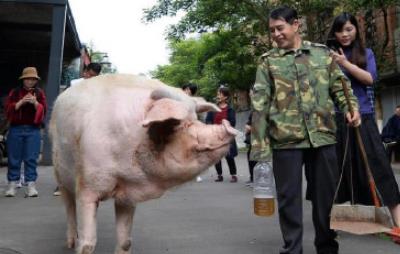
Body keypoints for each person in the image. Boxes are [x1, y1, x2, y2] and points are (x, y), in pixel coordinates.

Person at [250, 6, 360, 254]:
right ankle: (292, 249)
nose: (276, 34)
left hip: (323, 137)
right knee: (289, 200)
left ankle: (327, 246)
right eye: (272, 30)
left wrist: (351, 108)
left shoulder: (322, 55)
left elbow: (341, 88)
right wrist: (260, 149)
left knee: (325, 199)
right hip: (285, 141)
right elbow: (259, 106)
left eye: (280, 28)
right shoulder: (268, 62)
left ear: (296, 25)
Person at [328, 12, 400, 227]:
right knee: (338, 171)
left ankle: (397, 222)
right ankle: (335, 223)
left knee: (380, 167)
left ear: (356, 30)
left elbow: (370, 79)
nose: (344, 34)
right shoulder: (327, 56)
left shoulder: (365, 53)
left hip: (365, 117)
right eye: (340, 30)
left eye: (349, 29)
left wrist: (345, 63)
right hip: (339, 119)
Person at [53, 62, 102, 196]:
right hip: (72, 124)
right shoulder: (74, 83)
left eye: (93, 76)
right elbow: (63, 101)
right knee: (68, 154)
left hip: (89, 126)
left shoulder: (99, 88)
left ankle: (86, 186)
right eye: (88, 74)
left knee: (88, 157)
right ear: (84, 71)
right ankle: (62, 186)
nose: (89, 77)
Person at [4, 67, 47, 197]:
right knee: (13, 158)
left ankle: (31, 185)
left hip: (33, 130)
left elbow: (43, 111)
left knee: (31, 158)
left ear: (36, 80)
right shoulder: (15, 92)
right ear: (23, 79)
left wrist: (35, 103)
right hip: (15, 128)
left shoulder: (39, 93)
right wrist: (21, 101)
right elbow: (9, 110)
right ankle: (12, 184)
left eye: (33, 79)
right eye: (28, 79)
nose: (30, 81)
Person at [206, 86, 238, 183]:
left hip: (227, 136)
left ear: (225, 97)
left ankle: (233, 175)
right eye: (218, 94)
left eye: (220, 94)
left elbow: (233, 122)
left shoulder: (230, 109)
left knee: (229, 156)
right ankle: (219, 175)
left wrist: (225, 124)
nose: (218, 96)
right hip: (215, 136)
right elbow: (208, 120)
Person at [182, 82, 203, 182]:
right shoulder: (178, 100)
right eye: (185, 89)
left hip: (191, 129)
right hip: (181, 130)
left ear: (191, 92)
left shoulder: (194, 102)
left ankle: (196, 174)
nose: (186, 91)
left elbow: (197, 116)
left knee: (194, 152)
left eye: (188, 90)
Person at [244, 111, 256, 186]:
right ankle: (252, 178)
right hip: (252, 140)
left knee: (257, 160)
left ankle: (257, 179)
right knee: (250, 159)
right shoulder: (253, 112)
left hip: (260, 140)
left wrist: (251, 128)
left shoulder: (264, 111)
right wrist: (247, 127)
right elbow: (248, 123)